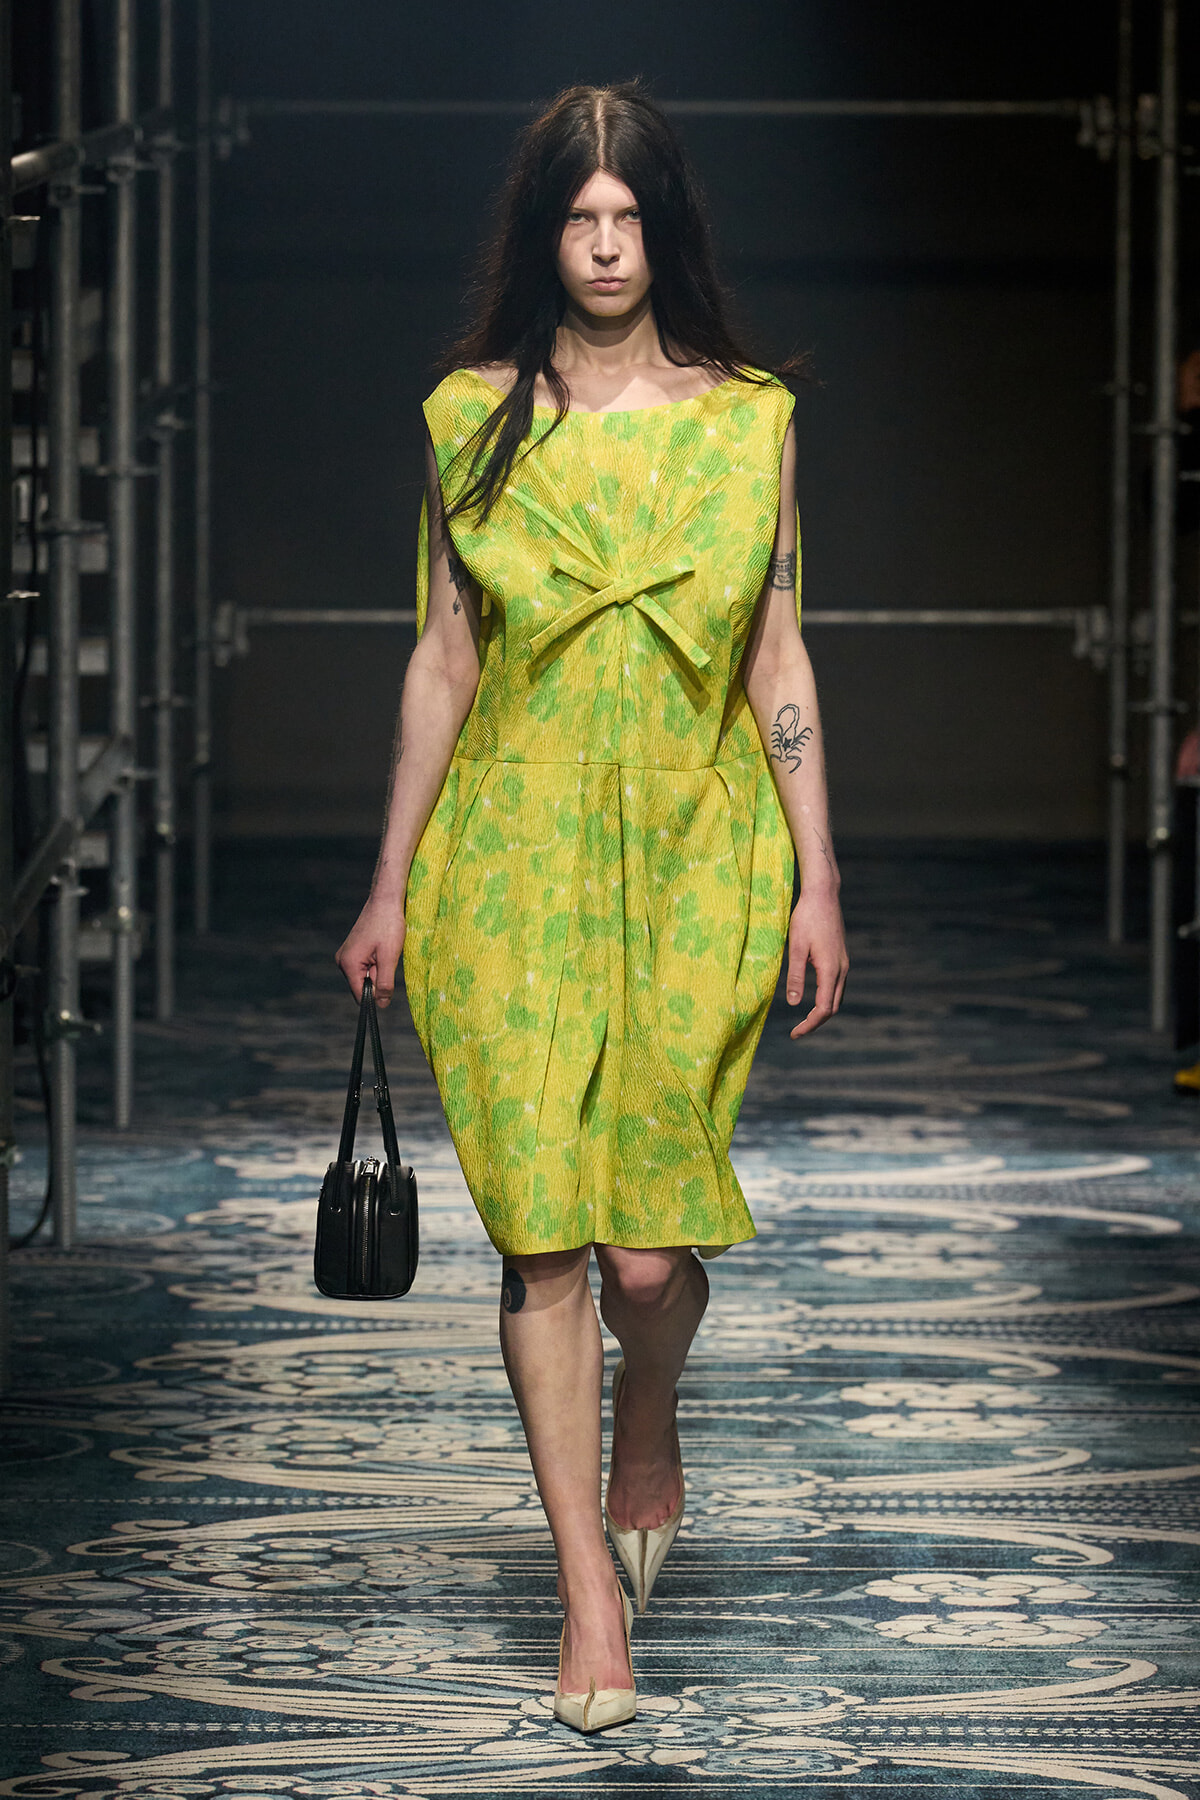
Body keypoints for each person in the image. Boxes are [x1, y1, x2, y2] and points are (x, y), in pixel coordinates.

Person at [336, 81, 849, 1731]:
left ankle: (652, 1420)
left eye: (632, 216)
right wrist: (391, 878)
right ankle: (586, 1608)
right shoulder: (468, 416)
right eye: (581, 216)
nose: (609, 244)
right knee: (546, 1238)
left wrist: (817, 875)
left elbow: (779, 651)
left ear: (668, 228)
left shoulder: (748, 416)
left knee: (646, 1261)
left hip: (702, 853)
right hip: (513, 858)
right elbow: (441, 655)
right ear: (545, 231)